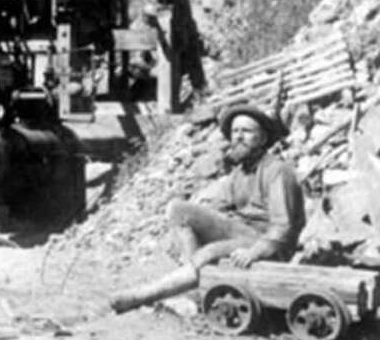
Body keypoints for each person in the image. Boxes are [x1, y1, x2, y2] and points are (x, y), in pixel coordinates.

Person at [108, 103, 306, 314]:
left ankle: (143, 295)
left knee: (210, 251)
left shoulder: (277, 171)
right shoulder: (240, 172)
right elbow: (220, 206)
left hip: (268, 243)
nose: (238, 137)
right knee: (179, 210)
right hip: (243, 231)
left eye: (246, 131)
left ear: (263, 139)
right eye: (235, 132)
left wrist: (254, 252)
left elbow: (283, 227)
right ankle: (193, 282)